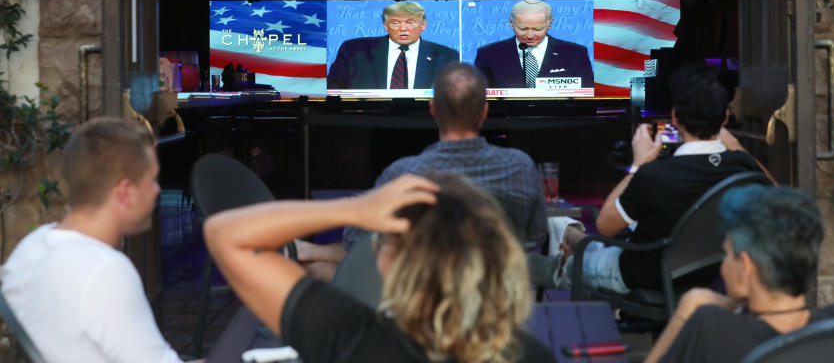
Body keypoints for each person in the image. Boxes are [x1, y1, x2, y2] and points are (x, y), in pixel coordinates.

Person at [203, 173, 556, 363]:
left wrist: (355, 209)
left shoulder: (352, 339)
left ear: (387, 262)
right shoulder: (530, 355)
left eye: (380, 241)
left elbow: (224, 233)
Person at [298, 62, 547, 279]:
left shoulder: (404, 175)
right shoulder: (521, 166)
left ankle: (311, 252)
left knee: (321, 269)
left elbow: (356, 242)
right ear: (484, 111)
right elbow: (535, 236)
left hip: (423, 294)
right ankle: (312, 253)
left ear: (433, 108)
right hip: (498, 293)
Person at [533, 66, 764, 293]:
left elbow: (605, 226)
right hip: (705, 272)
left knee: (563, 263)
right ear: (725, 118)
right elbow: (773, 190)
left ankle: (563, 256)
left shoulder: (655, 174)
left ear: (674, 117)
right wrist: (737, 147)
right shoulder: (743, 167)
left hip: (640, 274)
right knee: (577, 237)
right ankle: (569, 237)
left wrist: (638, 164)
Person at [0, 117, 193, 363]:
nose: (158, 190)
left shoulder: (32, 246)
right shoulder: (105, 272)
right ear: (125, 192)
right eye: (153, 180)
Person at [645, 185, 834, 363]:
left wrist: (687, 309)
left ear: (746, 267)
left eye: (727, 254)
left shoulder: (710, 329)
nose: (724, 266)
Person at [326, 0, 459, 90]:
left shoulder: (446, 56)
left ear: (423, 25)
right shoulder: (353, 51)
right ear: (385, 26)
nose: (403, 28)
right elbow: (333, 88)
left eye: (410, 22)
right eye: (395, 23)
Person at [473, 0, 594, 89]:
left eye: (537, 29)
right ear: (511, 23)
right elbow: (478, 98)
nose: (530, 35)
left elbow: (587, 93)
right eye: (523, 28)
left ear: (550, 24)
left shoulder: (575, 53)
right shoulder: (488, 54)